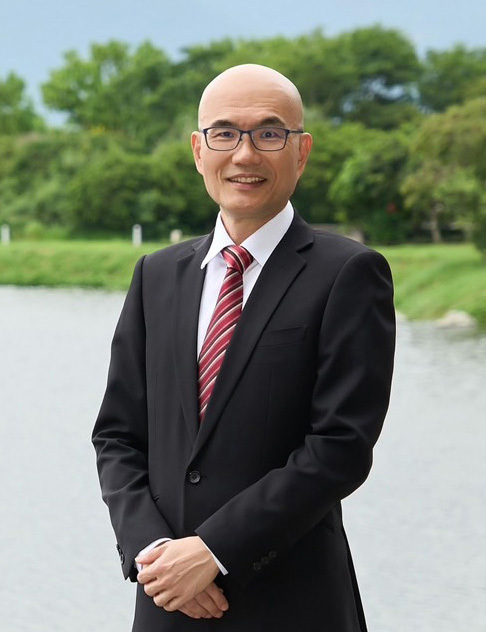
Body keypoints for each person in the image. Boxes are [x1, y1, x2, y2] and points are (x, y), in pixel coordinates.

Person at [92, 63, 395, 632]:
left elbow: (340, 447)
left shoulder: (349, 273)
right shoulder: (156, 275)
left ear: (302, 151)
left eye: (270, 133)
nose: (245, 154)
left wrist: (214, 551)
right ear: (198, 150)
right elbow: (117, 434)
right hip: (167, 601)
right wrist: (153, 550)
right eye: (225, 133)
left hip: (294, 605)